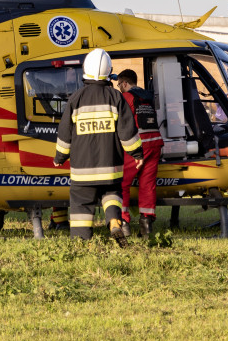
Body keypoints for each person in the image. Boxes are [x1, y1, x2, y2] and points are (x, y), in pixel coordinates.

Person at [54, 49, 143, 246]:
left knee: (81, 203)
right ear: (109, 71)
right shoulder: (115, 97)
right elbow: (127, 130)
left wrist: (60, 157)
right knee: (112, 194)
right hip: (110, 168)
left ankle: (81, 241)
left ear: (85, 70)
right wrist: (137, 153)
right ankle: (113, 221)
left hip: (82, 171)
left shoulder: (75, 98)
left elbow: (65, 133)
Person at [115, 68, 162, 238]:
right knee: (147, 184)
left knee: (122, 183)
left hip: (137, 146)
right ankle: (146, 225)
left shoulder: (126, 98)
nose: (119, 87)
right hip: (155, 143)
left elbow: (121, 122)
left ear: (125, 83)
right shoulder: (147, 97)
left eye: (120, 84)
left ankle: (124, 223)